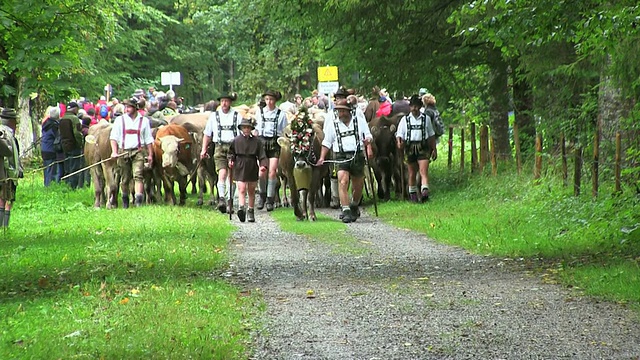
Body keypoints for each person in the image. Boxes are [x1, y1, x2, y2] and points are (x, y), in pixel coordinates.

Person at [317, 99, 373, 223]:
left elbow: (368, 135)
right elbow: (326, 142)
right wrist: (322, 157)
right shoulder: (334, 124)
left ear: (349, 111)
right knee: (343, 181)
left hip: (357, 155)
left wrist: (368, 142)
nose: (341, 113)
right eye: (339, 111)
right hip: (341, 156)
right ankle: (346, 210)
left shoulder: (359, 121)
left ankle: (354, 204)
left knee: (358, 185)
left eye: (343, 111)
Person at [109, 98, 155, 207]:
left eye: (129, 107)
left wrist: (150, 155)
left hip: (138, 152)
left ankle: (138, 202)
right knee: (124, 179)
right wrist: (114, 152)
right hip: (123, 152)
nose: (126, 109)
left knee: (138, 176)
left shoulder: (144, 121)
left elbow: (148, 140)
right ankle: (125, 202)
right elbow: (113, 138)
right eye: (125, 107)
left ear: (135, 108)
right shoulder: (120, 120)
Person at [200, 92, 241, 213]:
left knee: (231, 175)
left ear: (230, 102)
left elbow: (242, 134)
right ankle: (222, 199)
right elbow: (207, 134)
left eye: (227, 101)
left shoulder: (236, 115)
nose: (224, 103)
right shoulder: (214, 116)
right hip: (219, 146)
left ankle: (230, 200)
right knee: (222, 173)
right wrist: (203, 149)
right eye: (222, 101)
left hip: (233, 147)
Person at [396, 94, 437, 202]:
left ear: (420, 106)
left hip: (423, 147)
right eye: (413, 106)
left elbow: (431, 135)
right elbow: (399, 134)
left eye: (417, 106)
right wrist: (399, 143)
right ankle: (413, 194)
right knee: (412, 173)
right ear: (410, 107)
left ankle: (424, 192)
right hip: (410, 147)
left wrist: (434, 149)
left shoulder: (426, 119)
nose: (415, 108)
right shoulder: (405, 120)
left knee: (423, 171)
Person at [254, 89, 287, 211]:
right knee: (262, 172)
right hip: (262, 142)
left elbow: (284, 131)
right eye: (267, 99)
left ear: (275, 100)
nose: (269, 102)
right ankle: (262, 195)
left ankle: (270, 198)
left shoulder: (281, 114)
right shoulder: (260, 112)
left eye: (271, 99)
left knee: (272, 172)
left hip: (274, 142)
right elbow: (256, 130)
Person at [228, 119, 268, 223]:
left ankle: (251, 210)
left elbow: (262, 155)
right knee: (241, 188)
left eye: (248, 127)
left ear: (251, 129)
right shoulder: (236, 140)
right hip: (240, 165)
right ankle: (242, 208)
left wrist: (263, 165)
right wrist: (231, 160)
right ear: (241, 129)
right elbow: (231, 153)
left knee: (251, 190)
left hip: (252, 165)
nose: (246, 129)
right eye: (244, 127)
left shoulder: (257, 141)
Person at [0, 108, 22, 228]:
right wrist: (12, 172)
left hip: (7, 171)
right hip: (6, 173)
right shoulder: (5, 134)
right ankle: (3, 226)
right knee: (5, 199)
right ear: (11, 121)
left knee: (6, 199)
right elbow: (8, 154)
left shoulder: (8, 133)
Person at [59, 101, 85, 189]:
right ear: (75, 109)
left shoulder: (62, 118)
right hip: (74, 146)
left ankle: (67, 184)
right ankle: (73, 186)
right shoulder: (74, 119)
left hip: (64, 145)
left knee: (67, 167)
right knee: (75, 167)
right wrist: (80, 143)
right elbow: (77, 133)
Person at [41, 106, 63, 186]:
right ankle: (49, 186)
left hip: (44, 148)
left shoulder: (45, 123)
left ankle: (46, 184)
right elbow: (57, 137)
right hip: (51, 149)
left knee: (46, 169)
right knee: (52, 170)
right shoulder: (54, 126)